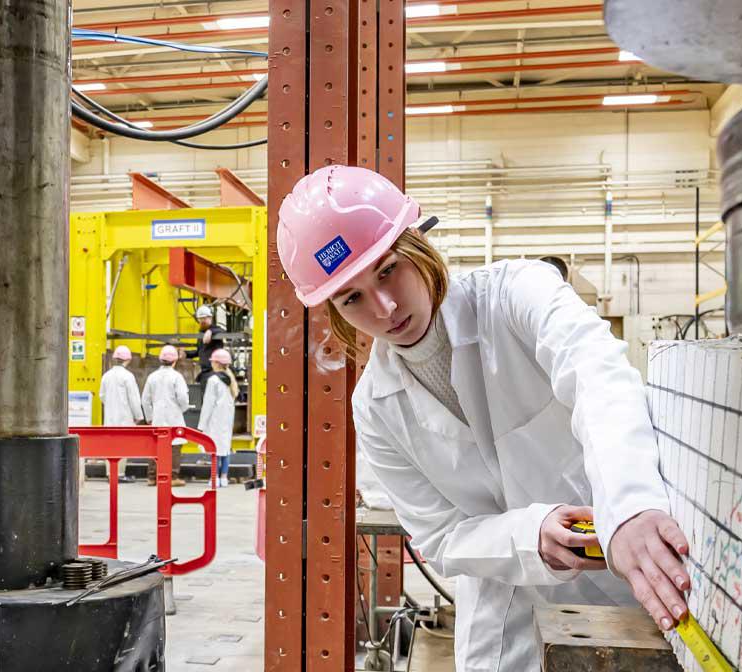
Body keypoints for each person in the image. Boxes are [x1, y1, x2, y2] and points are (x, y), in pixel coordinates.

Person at [276, 165, 692, 671]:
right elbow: (441, 537)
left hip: (626, 581)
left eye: (388, 269)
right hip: (502, 626)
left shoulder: (517, 294)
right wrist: (530, 535)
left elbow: (599, 377)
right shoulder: (375, 408)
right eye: (352, 297)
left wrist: (628, 508)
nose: (384, 308)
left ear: (417, 245)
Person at [139, 345, 192, 485]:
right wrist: (182, 409)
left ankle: (152, 477)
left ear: (160, 360)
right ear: (175, 361)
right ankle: (173, 477)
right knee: (175, 445)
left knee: (155, 445)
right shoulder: (177, 377)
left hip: (157, 417)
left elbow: (145, 400)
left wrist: (149, 417)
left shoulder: (152, 377)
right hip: (174, 416)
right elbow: (183, 398)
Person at [99, 345, 145, 482]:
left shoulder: (106, 376)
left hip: (110, 417)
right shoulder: (128, 376)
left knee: (110, 446)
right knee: (122, 446)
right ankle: (119, 474)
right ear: (128, 360)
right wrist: (138, 416)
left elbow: (102, 396)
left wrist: (111, 405)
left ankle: (110, 474)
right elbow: (134, 399)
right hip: (125, 417)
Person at [196, 348, 238, 487]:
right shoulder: (231, 380)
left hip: (215, 419)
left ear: (217, 363)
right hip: (227, 419)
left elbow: (208, 404)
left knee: (214, 449)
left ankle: (214, 478)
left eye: (213, 361)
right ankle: (224, 477)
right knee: (225, 448)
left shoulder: (213, 380)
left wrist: (201, 426)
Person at [194, 305, 224, 375]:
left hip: (215, 371)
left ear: (210, 318)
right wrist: (185, 354)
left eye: (204, 318)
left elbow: (222, 330)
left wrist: (210, 331)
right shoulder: (201, 333)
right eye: (200, 319)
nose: (202, 321)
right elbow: (198, 352)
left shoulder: (215, 329)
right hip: (204, 371)